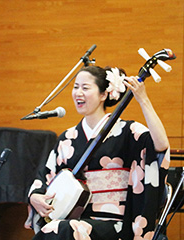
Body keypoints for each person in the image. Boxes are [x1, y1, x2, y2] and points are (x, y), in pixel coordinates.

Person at [25, 65, 170, 239]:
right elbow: (45, 176)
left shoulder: (128, 131)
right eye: (76, 87)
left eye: (85, 88)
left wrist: (143, 100)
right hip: (70, 219)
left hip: (113, 223)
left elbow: (160, 145)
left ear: (103, 94)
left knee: (63, 230)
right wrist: (35, 197)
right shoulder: (67, 138)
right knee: (61, 228)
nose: (78, 93)